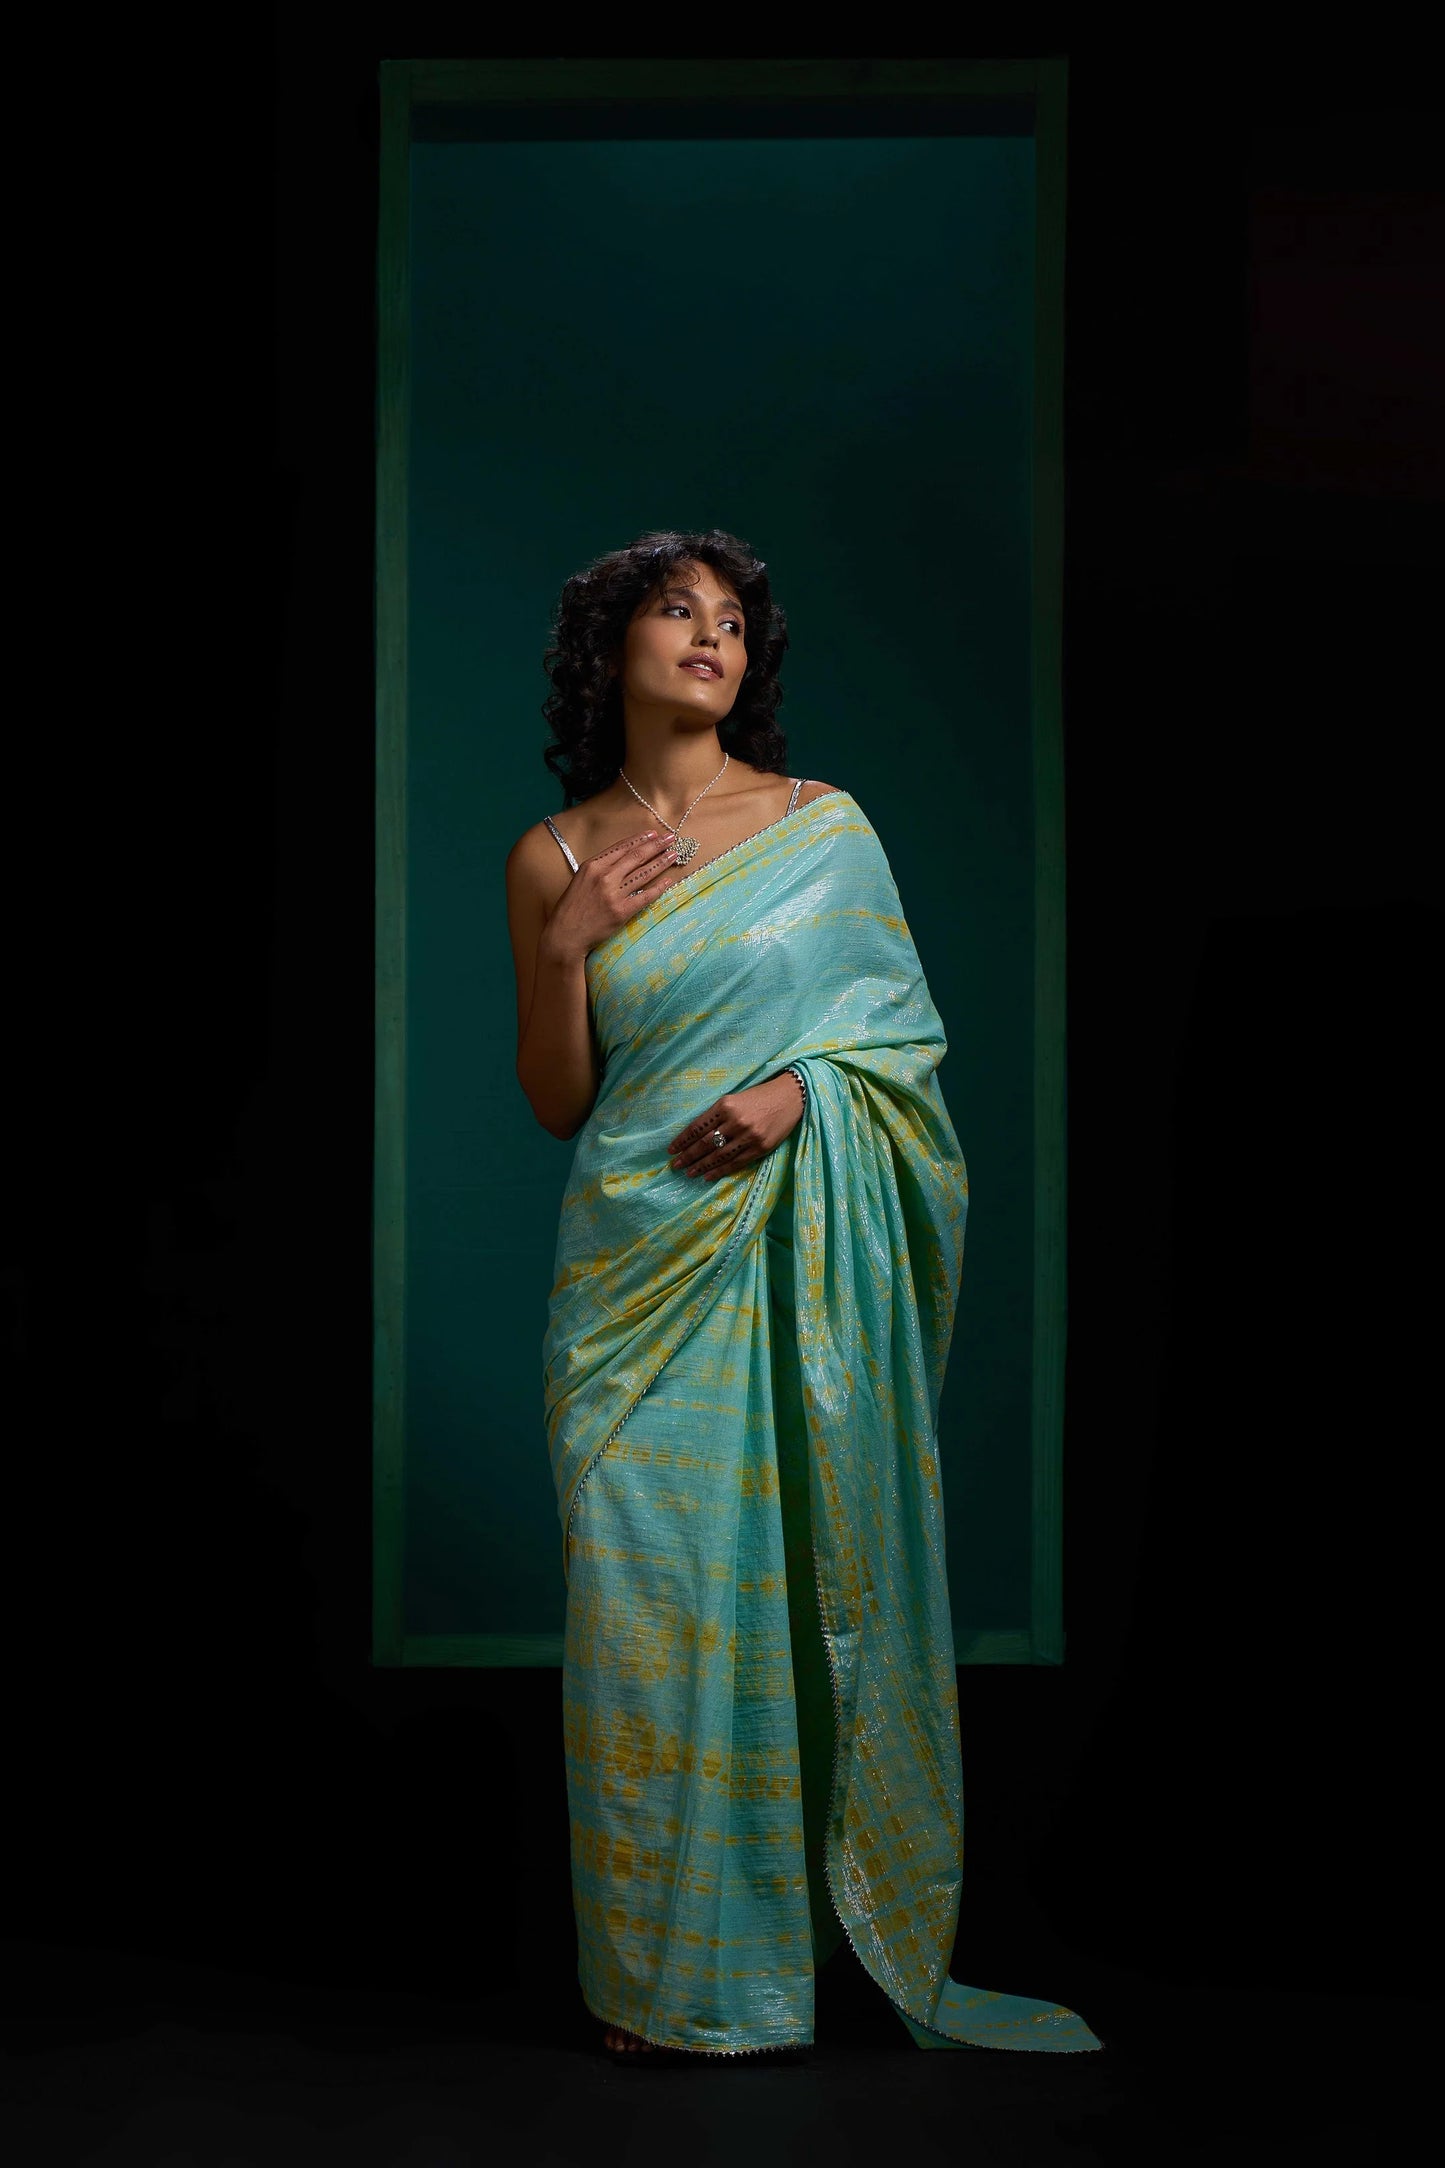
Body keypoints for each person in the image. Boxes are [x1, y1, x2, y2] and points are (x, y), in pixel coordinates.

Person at [505, 528, 1101, 2064]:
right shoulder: (555, 854)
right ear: (609, 651)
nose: (710, 634)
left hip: (783, 1256)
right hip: (631, 1282)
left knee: (783, 1598)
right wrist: (568, 945)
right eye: (674, 610)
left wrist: (798, 1096)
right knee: (647, 1625)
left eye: (730, 618)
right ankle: (662, 1987)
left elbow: (898, 1053)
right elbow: (559, 1102)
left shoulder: (821, 827)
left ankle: (783, 1966)